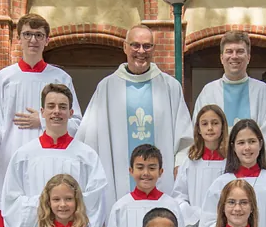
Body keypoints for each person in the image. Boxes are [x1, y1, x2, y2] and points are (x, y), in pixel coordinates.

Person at [0, 13, 83, 227]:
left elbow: (76, 123)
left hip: (51, 170)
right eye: (27, 34)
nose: (33, 40)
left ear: (47, 40)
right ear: (19, 39)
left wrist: (44, 121)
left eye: (39, 35)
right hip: (13, 167)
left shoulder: (60, 77)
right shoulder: (4, 78)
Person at [76, 24, 193, 208]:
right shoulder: (107, 88)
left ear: (154, 49)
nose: (141, 51)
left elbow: (185, 138)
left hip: (163, 188)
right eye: (135, 45)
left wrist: (179, 165)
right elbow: (89, 140)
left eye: (147, 46)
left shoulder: (170, 87)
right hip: (119, 187)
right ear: (125, 47)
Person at [1, 83, 108, 227]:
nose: (56, 111)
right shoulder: (24, 155)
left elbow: (96, 201)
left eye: (62, 107)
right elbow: (12, 201)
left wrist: (71, 225)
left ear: (71, 113)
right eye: (51, 106)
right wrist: (46, 209)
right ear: (42, 112)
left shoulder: (87, 156)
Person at [191, 31, 266, 171]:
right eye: (229, 52)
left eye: (240, 51)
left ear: (248, 57)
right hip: (217, 168)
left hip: (252, 169)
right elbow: (200, 132)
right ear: (222, 58)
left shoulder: (263, 92)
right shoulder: (209, 92)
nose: (234, 56)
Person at [105, 144, 187, 227]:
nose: (146, 173)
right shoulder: (121, 207)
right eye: (140, 167)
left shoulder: (171, 205)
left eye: (152, 168)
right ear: (131, 170)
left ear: (161, 171)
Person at [172, 104, 228, 227]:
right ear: (198, 129)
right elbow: (179, 195)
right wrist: (193, 214)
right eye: (204, 124)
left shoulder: (231, 161)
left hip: (228, 223)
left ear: (222, 127)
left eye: (215, 123)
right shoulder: (190, 162)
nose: (210, 128)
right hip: (200, 225)